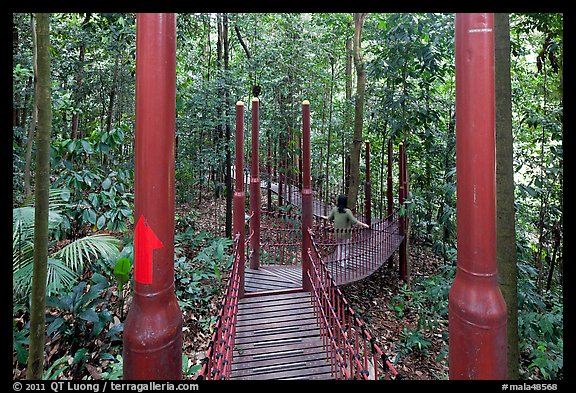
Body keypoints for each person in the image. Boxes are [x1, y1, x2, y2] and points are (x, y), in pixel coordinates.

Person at [321, 194, 369, 268]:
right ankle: (343, 262)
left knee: (339, 246)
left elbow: (330, 218)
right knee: (345, 247)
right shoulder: (347, 211)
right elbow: (354, 221)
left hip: (337, 232)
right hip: (346, 233)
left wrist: (324, 217)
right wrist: (364, 224)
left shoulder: (335, 210)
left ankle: (338, 260)